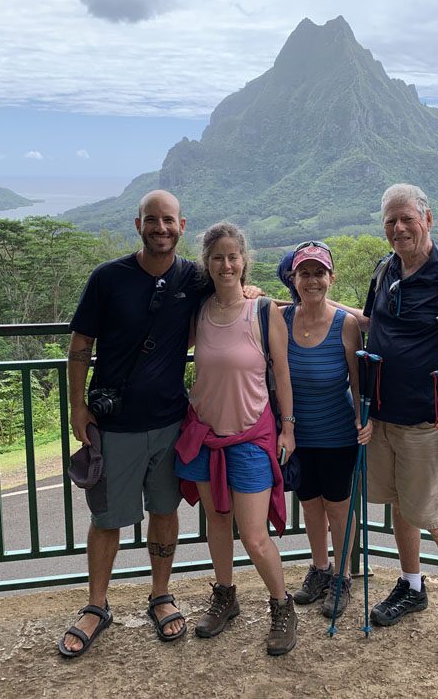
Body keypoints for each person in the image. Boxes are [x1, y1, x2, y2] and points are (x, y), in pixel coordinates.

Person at [58, 190, 203, 657]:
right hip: (114, 424)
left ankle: (160, 595)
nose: (161, 229)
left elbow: (233, 291)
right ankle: (96, 605)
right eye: (152, 221)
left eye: (169, 221)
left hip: (169, 422)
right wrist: (77, 406)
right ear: (137, 223)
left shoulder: (194, 279)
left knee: (165, 512)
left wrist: (254, 293)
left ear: (182, 225)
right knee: (107, 520)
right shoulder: (108, 278)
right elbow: (81, 342)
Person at [362, 183, 438, 666]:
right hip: (384, 419)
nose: (398, 228)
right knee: (399, 505)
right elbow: (371, 326)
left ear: (427, 220)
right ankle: (412, 586)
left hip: (428, 424)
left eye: (406, 219)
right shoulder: (384, 271)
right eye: (390, 221)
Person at [175, 222, 299, 656]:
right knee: (219, 524)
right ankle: (225, 596)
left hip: (250, 437)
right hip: (205, 435)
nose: (226, 264)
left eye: (233, 257)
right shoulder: (198, 313)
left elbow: (281, 373)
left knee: (254, 535)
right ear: (206, 264)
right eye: (217, 257)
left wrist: (289, 427)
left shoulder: (265, 312)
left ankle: (282, 607)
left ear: (244, 261)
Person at [281, 241, 372, 618]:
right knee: (310, 506)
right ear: (293, 278)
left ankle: (342, 577)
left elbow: (357, 381)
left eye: (320, 273)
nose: (313, 280)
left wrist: (363, 420)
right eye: (305, 273)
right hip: (298, 434)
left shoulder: (345, 324)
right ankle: (319, 569)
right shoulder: (281, 318)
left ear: (331, 278)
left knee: (338, 508)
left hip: (337, 433)